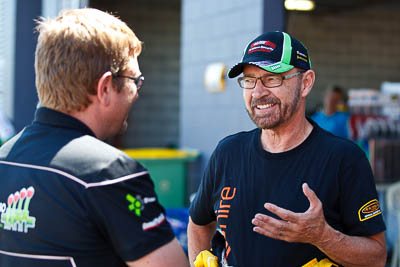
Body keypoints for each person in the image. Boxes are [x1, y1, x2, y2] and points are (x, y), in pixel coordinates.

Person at [0, 8, 188, 267]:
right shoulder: (108, 173)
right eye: (136, 80)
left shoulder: (4, 160)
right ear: (105, 88)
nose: (137, 93)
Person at [187, 31, 387, 267]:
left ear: (306, 83)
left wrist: (323, 236)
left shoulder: (344, 159)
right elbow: (198, 225)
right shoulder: (227, 153)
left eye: (272, 78)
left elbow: (377, 257)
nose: (258, 93)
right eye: (249, 80)